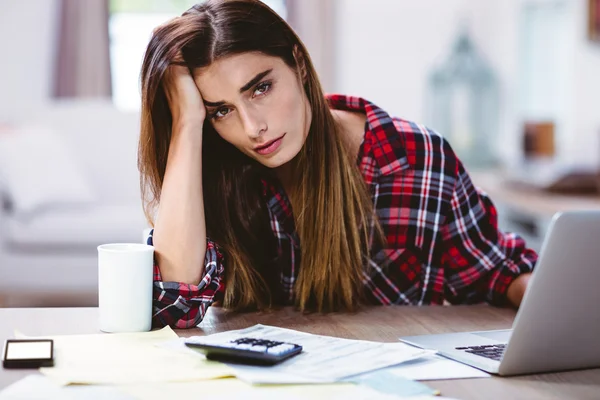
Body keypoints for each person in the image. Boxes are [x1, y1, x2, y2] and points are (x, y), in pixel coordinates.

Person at [138, 0, 537, 329]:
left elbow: (495, 273)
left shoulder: (416, 159)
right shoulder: (211, 168)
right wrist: (188, 124)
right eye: (221, 110)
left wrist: (551, 298)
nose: (252, 127)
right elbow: (176, 304)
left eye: (261, 88)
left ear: (297, 62)